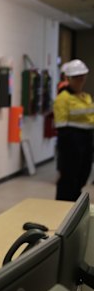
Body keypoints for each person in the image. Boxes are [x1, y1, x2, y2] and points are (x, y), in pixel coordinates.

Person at [53, 59, 93, 201]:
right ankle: (63, 206)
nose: (80, 79)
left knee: (83, 175)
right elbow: (61, 125)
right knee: (69, 178)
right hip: (70, 142)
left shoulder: (86, 97)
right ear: (68, 78)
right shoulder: (63, 99)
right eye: (76, 77)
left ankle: (75, 203)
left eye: (82, 76)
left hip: (86, 140)